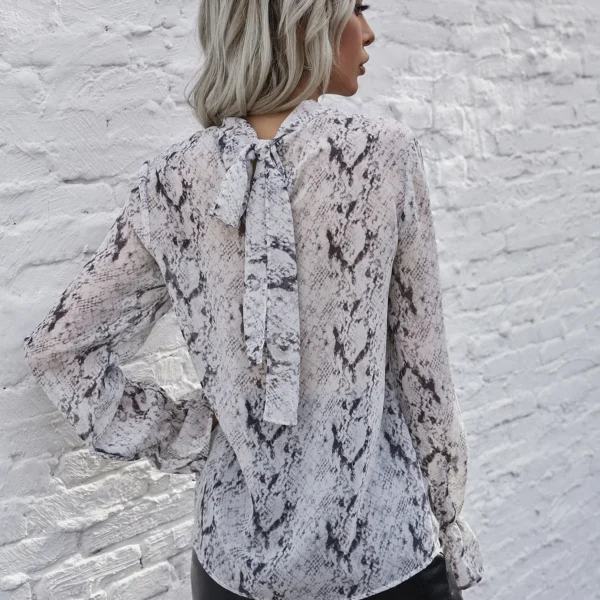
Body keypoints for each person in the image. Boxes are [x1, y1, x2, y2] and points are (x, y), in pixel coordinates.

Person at [22, 1, 484, 599]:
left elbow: (62, 350)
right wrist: (450, 523)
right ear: (301, 20)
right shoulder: (383, 155)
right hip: (386, 559)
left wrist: (196, 432)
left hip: (229, 568)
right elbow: (425, 377)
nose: (369, 33)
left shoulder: (173, 179)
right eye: (355, 9)